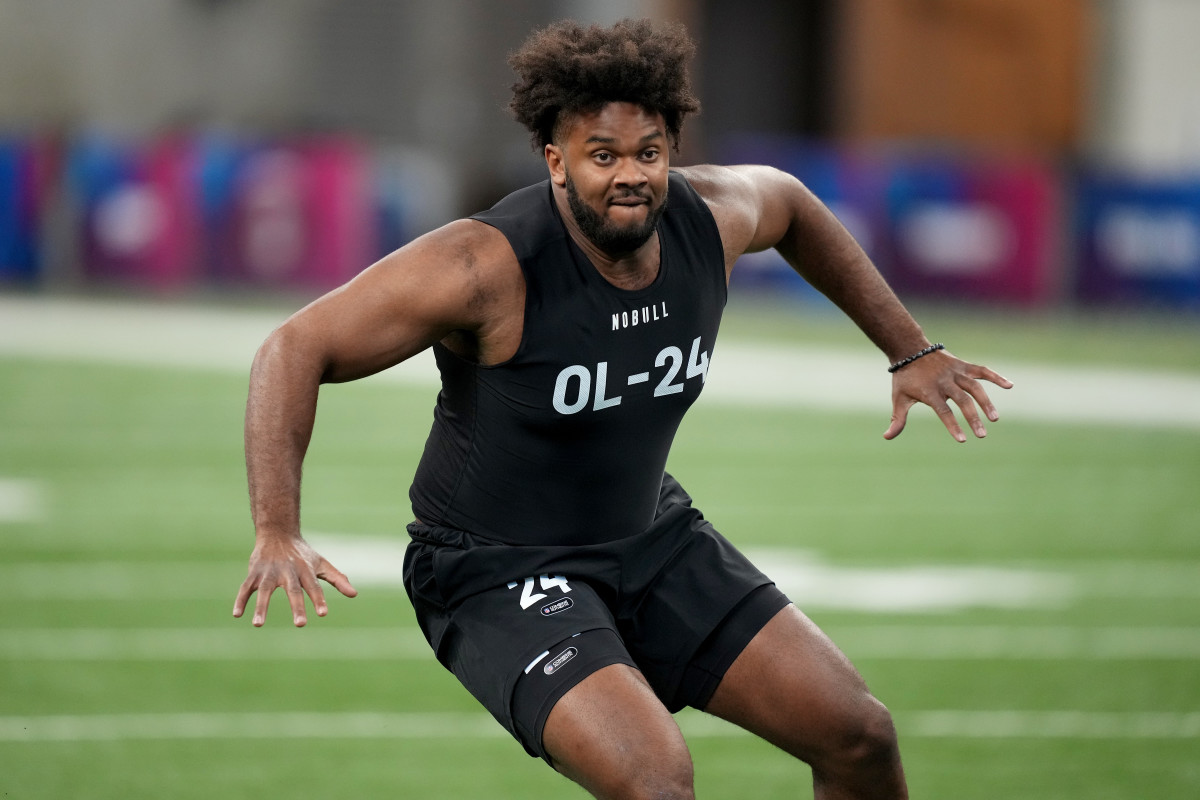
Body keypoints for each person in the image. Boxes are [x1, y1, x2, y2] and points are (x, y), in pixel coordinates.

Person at [233, 18, 1012, 800]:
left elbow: (794, 203)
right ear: (557, 161)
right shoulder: (485, 266)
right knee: (656, 783)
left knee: (859, 735)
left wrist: (909, 350)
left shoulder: (712, 218)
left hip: (650, 537)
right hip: (499, 568)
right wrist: (277, 529)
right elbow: (292, 348)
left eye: (648, 152)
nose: (629, 175)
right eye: (602, 155)